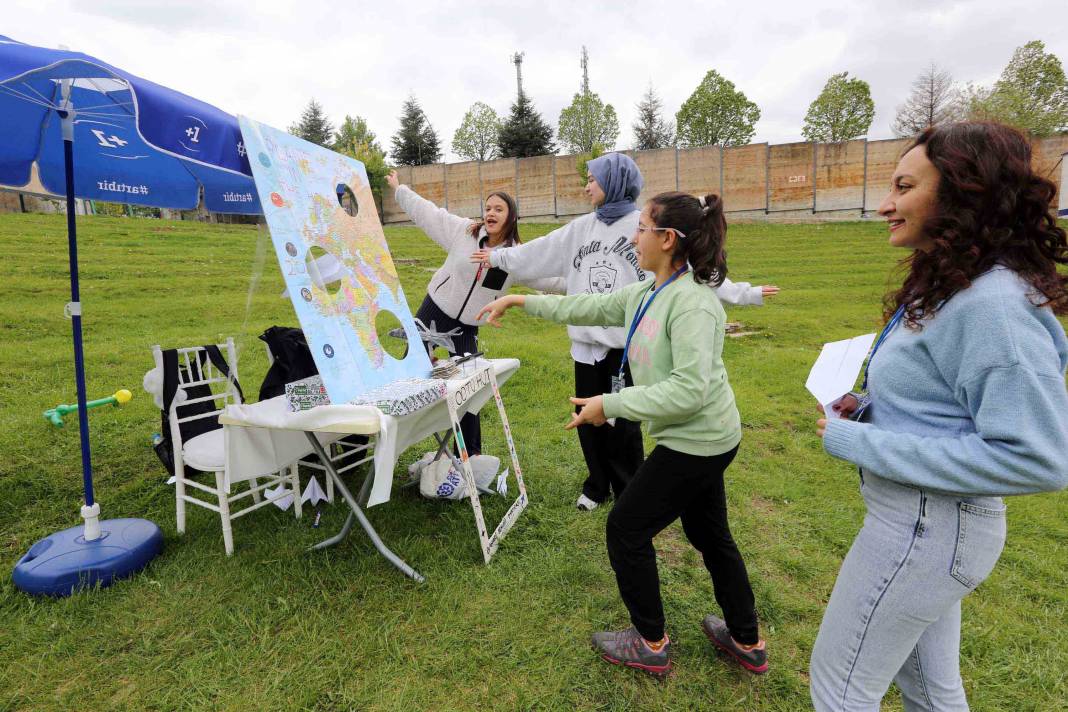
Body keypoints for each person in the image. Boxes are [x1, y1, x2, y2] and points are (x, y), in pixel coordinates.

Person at [811, 122, 1068, 711]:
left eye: (903, 187)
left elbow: (1037, 457)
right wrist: (872, 409)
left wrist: (860, 443)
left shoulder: (994, 304)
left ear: (962, 193)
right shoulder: (953, 283)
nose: (884, 205)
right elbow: (942, 406)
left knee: (840, 690)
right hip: (925, 529)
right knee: (928, 688)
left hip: (926, 532)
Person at [477, 191, 767, 678]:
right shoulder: (649, 290)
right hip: (700, 438)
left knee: (627, 527)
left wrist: (608, 405)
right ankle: (746, 639)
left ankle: (651, 641)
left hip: (697, 441)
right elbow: (587, 306)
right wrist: (520, 299)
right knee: (709, 534)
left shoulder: (693, 303)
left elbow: (689, 391)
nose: (633, 238)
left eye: (641, 229)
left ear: (668, 239)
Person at [472, 153, 779, 511]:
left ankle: (629, 487)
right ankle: (596, 484)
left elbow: (698, 269)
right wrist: (497, 259)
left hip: (627, 345)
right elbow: (539, 253)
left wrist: (747, 293)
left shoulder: (651, 226)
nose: (587, 186)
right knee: (586, 417)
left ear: (615, 182)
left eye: (592, 178)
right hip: (586, 344)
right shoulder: (582, 228)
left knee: (623, 423)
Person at [385, 169, 562, 454]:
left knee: (468, 389)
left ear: (511, 216)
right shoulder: (463, 232)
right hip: (433, 312)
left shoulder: (515, 256)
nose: (490, 212)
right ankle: (393, 443)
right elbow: (429, 214)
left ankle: (468, 455)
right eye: (488, 207)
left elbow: (548, 277)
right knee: (410, 375)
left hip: (466, 328)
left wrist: (582, 283)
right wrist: (399, 189)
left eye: (499, 209)